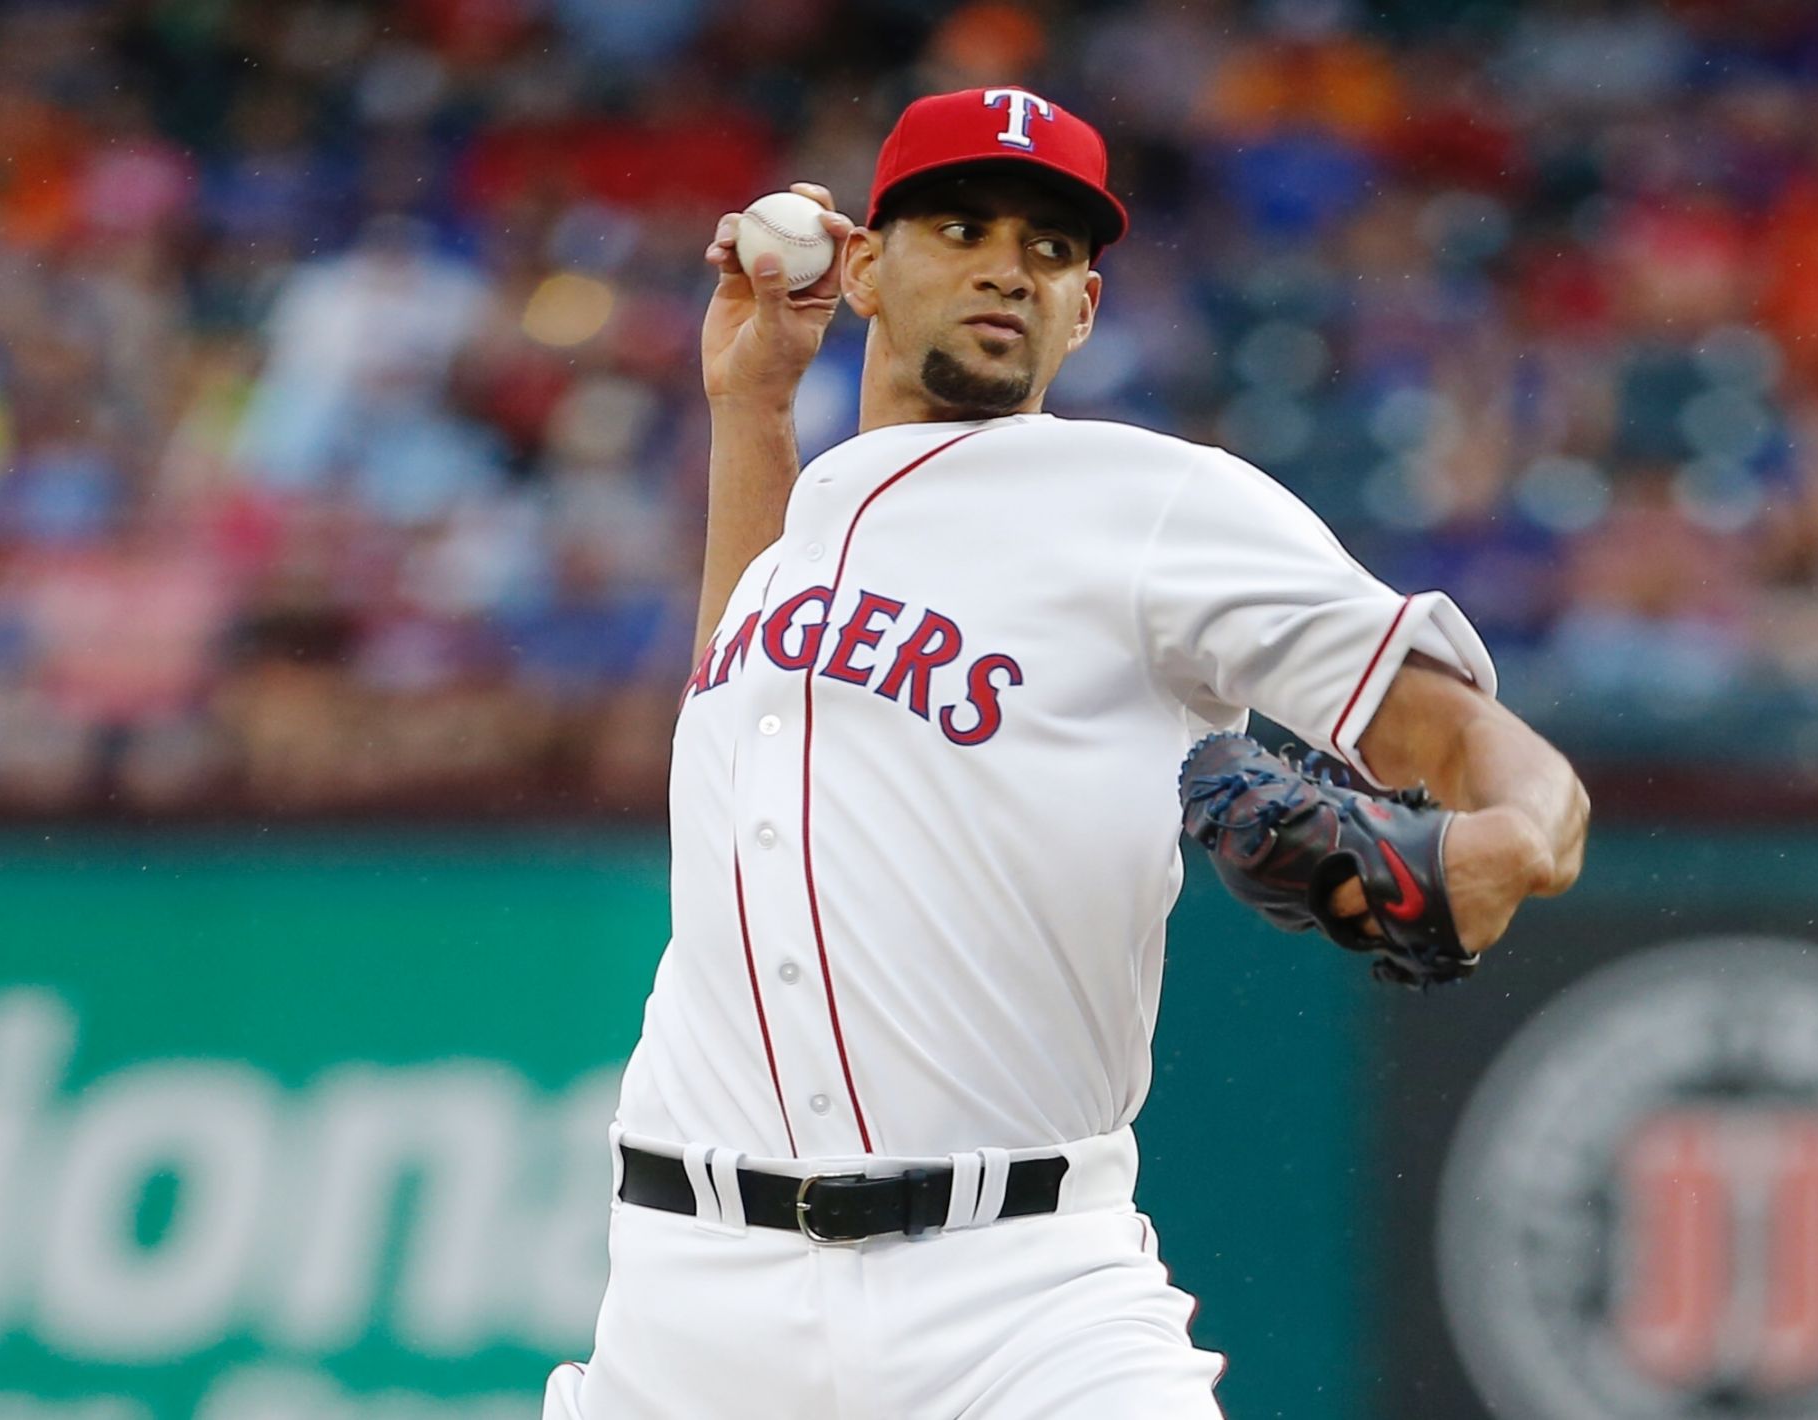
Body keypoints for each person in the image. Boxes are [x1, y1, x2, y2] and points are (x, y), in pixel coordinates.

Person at [544, 87, 1588, 1419]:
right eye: (960, 226)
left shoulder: (1149, 504)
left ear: (1084, 311)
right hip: (689, 1304)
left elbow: (1463, 734)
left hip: (1017, 1297)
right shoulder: (796, 521)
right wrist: (751, 405)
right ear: (862, 265)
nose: (1006, 267)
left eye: (1050, 249)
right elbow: (744, 693)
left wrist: (1514, 836)